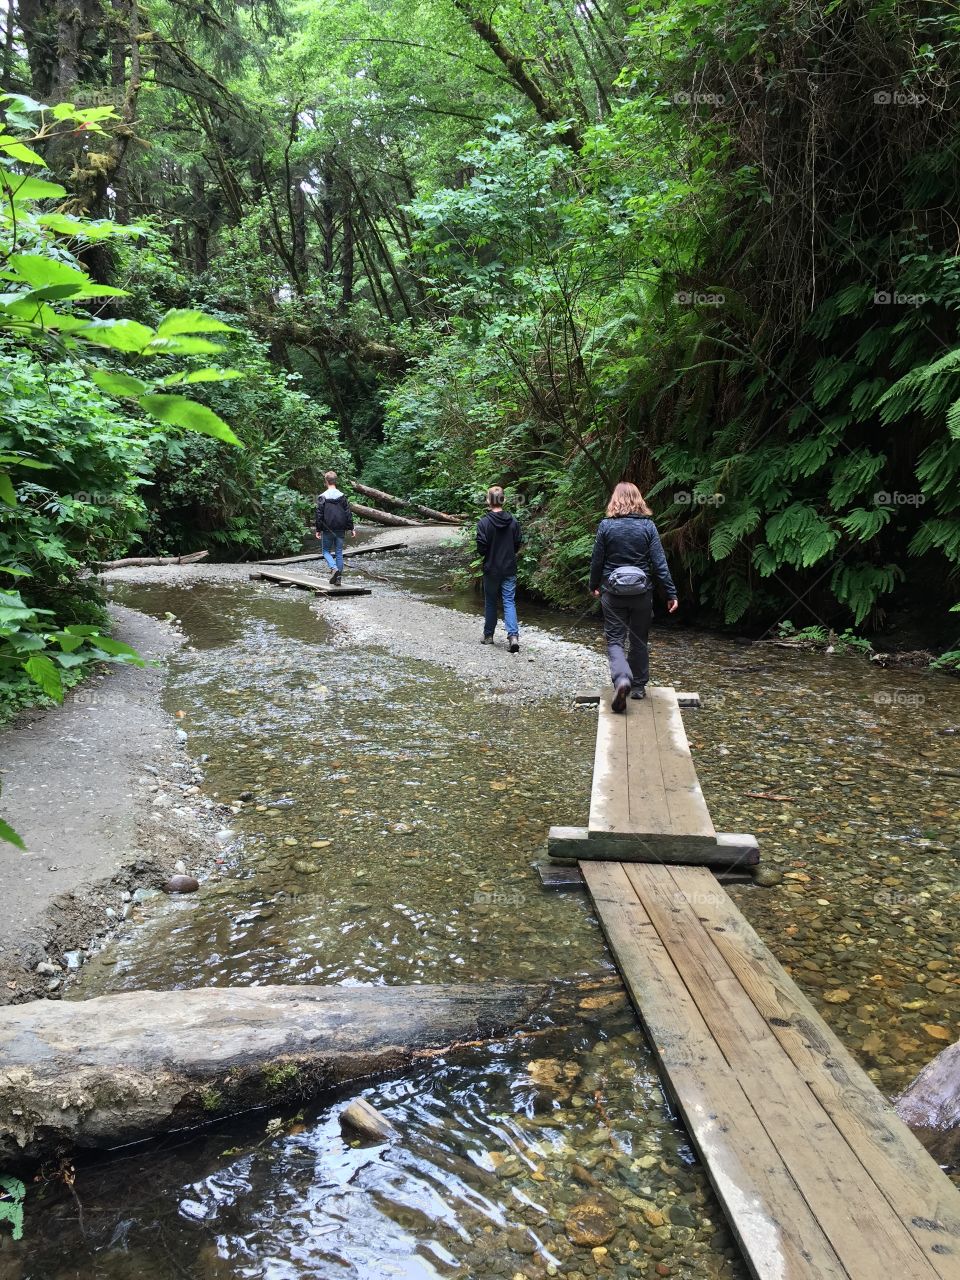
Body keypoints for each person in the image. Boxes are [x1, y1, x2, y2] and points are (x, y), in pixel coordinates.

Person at [589, 481, 678, 712]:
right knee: (639, 639)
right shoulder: (648, 527)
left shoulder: (606, 526)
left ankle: (622, 680)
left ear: (614, 500)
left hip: (613, 592)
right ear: (639, 500)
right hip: (642, 593)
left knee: (616, 641)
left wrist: (594, 585)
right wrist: (670, 593)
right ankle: (638, 687)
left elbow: (597, 560)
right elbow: (660, 565)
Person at [476, 485, 522, 652]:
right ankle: (513, 637)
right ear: (504, 500)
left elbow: (481, 548)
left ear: (488, 501)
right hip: (509, 568)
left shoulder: (484, 523)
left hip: (491, 569)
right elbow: (517, 544)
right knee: (509, 601)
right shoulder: (513, 521)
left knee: (490, 602)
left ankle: (488, 636)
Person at [315, 471, 355, 585]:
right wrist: (351, 528)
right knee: (339, 552)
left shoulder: (322, 497)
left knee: (325, 551)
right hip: (341, 528)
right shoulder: (342, 496)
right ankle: (338, 579)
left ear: (326, 481)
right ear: (335, 481)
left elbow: (319, 514)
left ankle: (334, 568)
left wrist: (318, 529)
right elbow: (348, 513)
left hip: (327, 528)